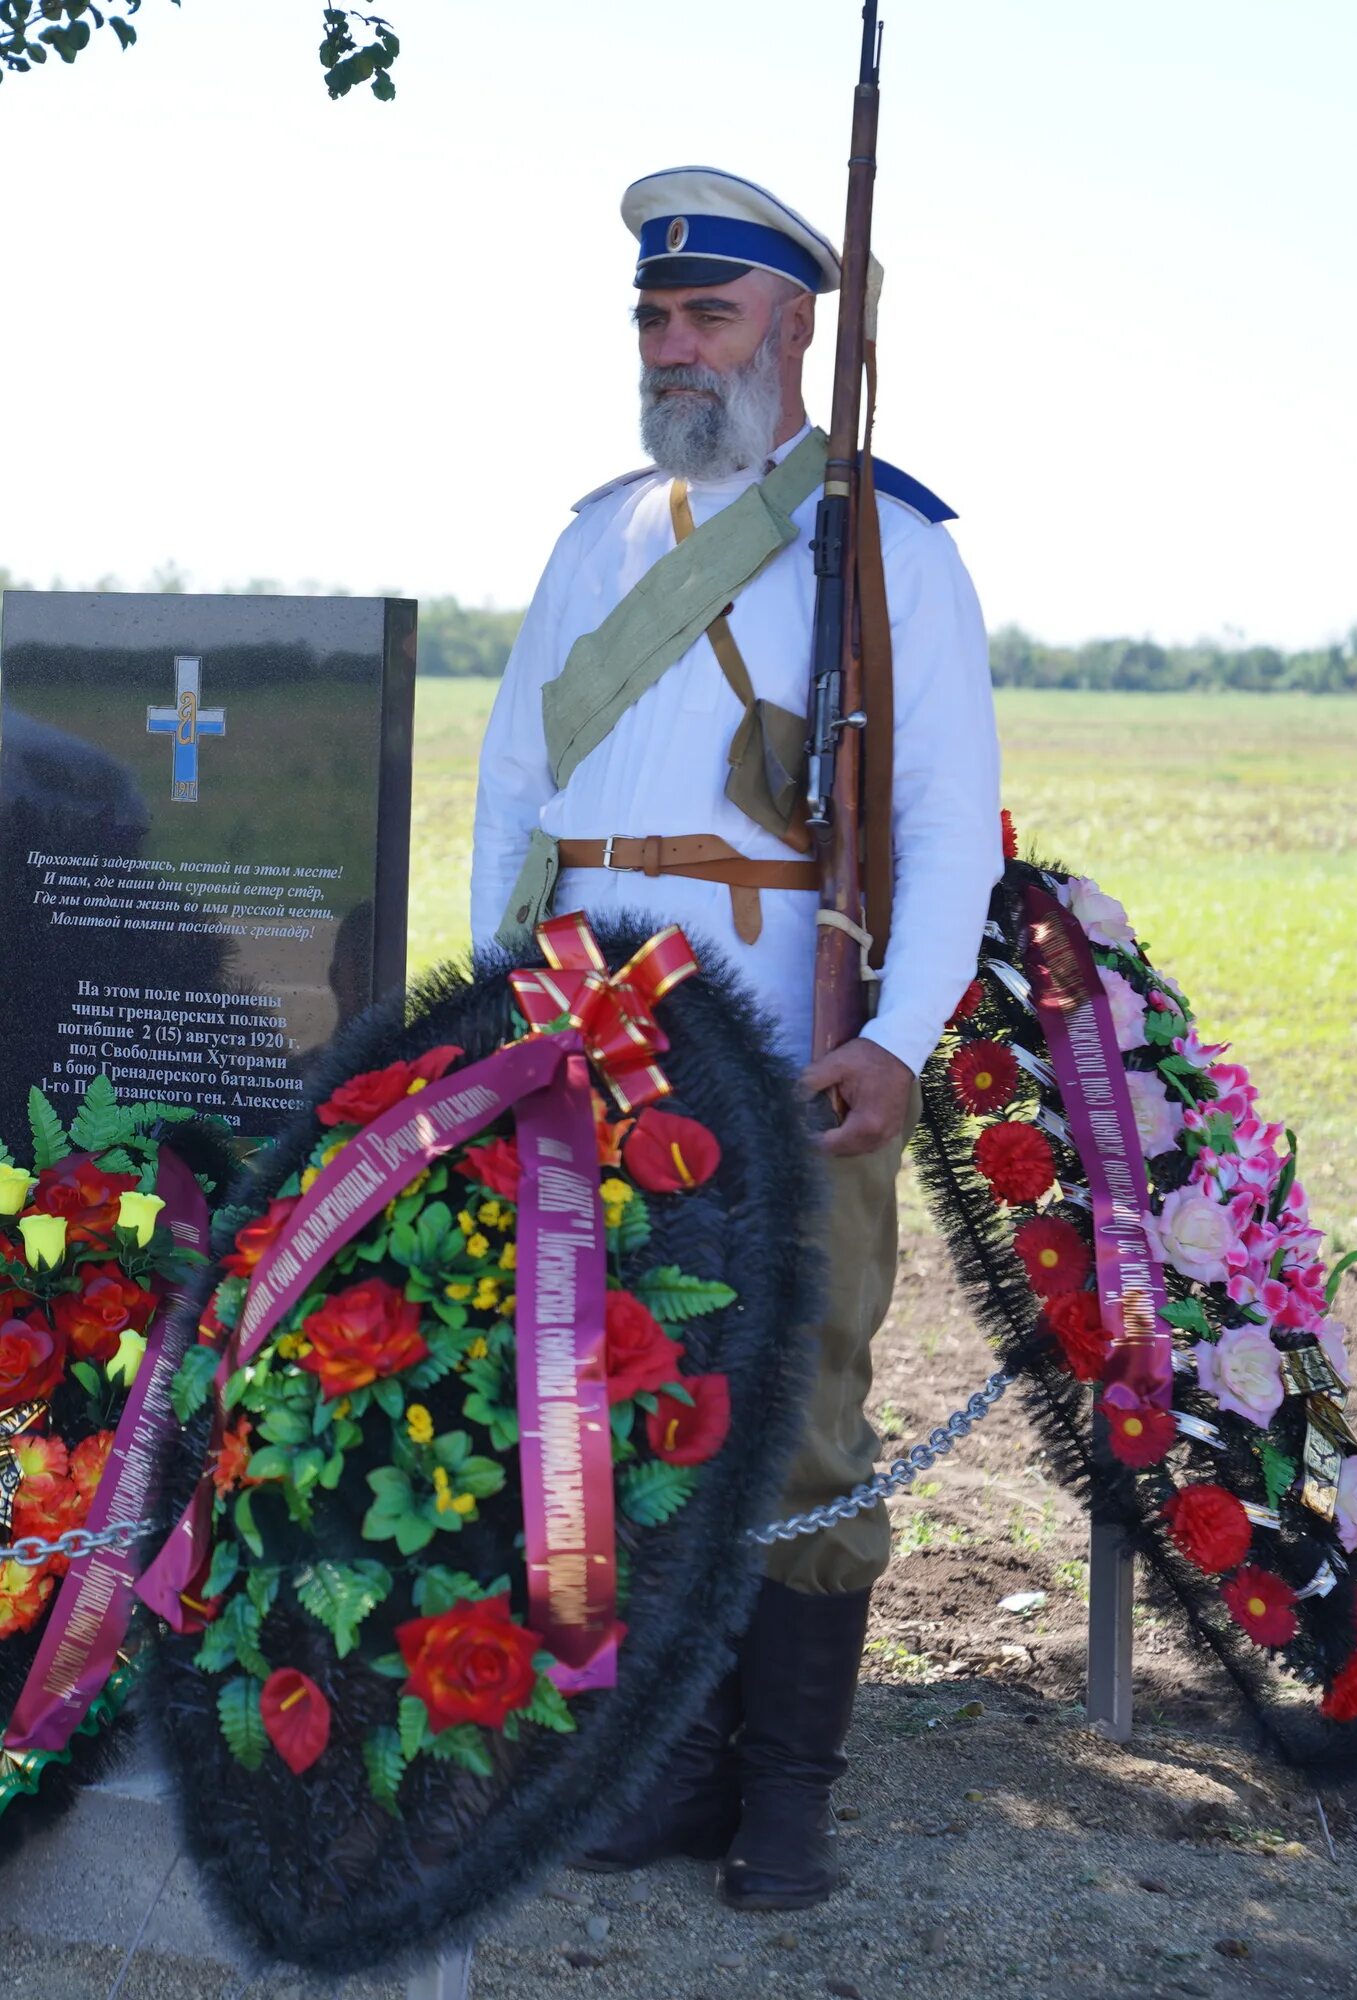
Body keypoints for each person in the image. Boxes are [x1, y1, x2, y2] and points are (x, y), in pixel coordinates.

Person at [470, 167, 1001, 1909]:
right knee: (614, 1404)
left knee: (795, 1417)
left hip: (785, 1040)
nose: (675, 345)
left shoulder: (887, 549)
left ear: (796, 330)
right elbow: (515, 795)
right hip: (588, 1035)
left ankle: (788, 1793)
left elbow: (940, 825)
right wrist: (502, 1002)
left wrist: (902, 1037)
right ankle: (675, 1765)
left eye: (707, 315)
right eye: (654, 316)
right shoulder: (589, 537)